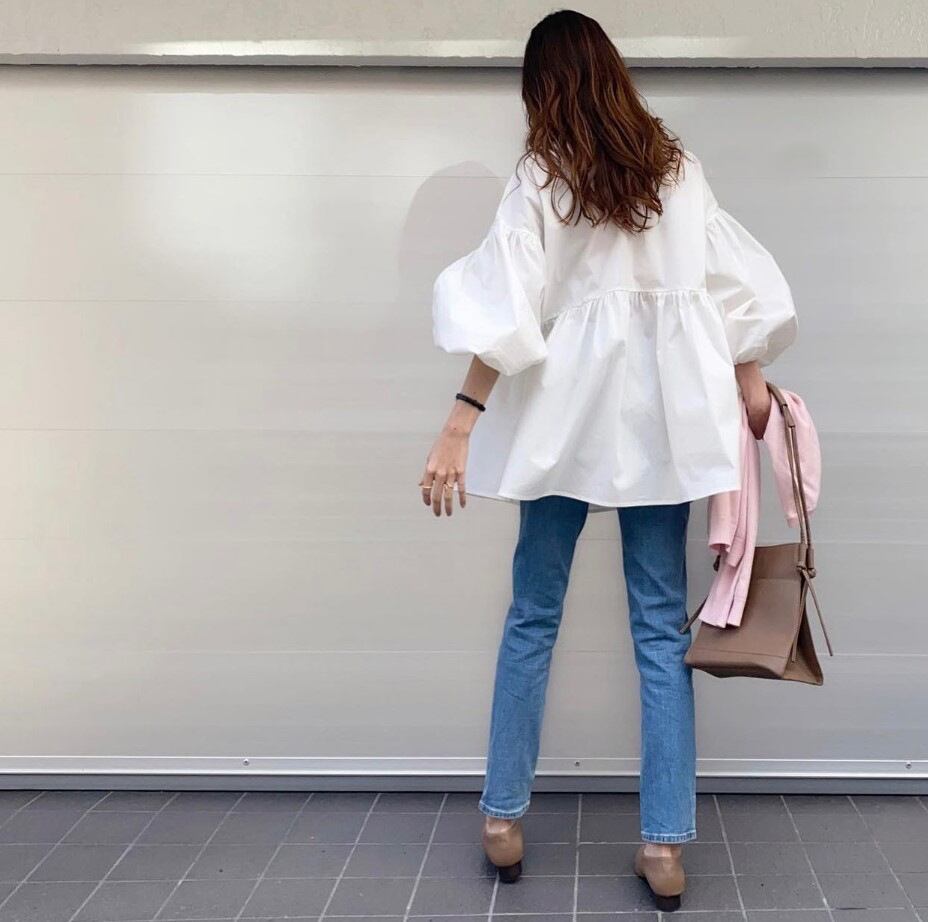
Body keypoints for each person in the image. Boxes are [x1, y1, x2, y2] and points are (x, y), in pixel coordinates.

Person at [419, 9, 797, 912]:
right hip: (665, 429)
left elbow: (507, 308)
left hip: (564, 427)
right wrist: (747, 370)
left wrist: (462, 420)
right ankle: (664, 846)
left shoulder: (544, 177)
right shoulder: (676, 170)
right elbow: (731, 284)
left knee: (532, 617)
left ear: (543, 87)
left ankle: (503, 821)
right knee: (660, 630)